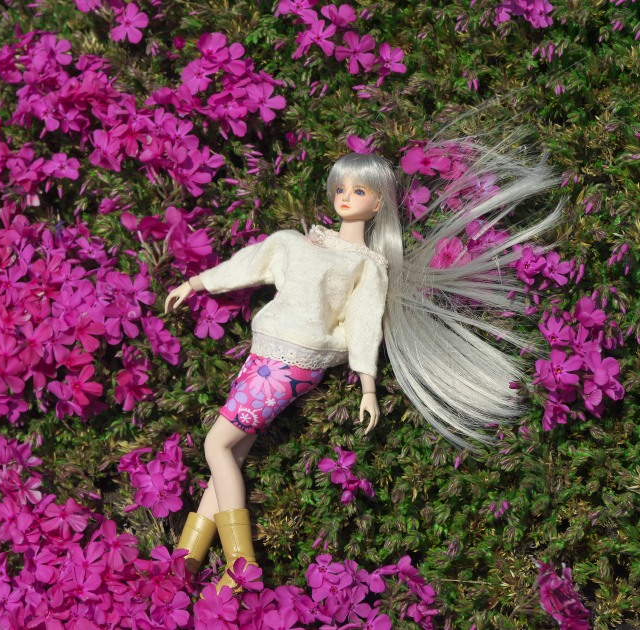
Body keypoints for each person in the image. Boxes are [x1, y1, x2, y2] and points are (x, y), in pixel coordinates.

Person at [162, 140, 561, 594]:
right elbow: (249, 264)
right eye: (341, 189)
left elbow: (364, 324)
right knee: (232, 454)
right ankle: (186, 561)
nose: (346, 197)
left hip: (290, 363)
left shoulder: (366, 265)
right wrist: (197, 282)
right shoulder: (296, 242)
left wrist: (368, 387)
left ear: (378, 203)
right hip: (264, 357)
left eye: (359, 191)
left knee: (215, 443)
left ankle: (240, 567)